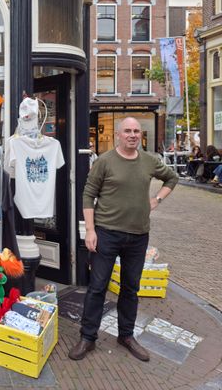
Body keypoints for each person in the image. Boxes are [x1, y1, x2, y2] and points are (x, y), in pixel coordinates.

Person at [68, 117, 178, 362]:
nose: (132, 134)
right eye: (127, 130)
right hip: (106, 233)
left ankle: (126, 335)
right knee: (97, 287)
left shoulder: (149, 161)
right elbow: (88, 195)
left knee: (130, 288)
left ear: (141, 135)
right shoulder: (105, 161)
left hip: (138, 236)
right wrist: (90, 230)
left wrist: (157, 200)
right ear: (118, 134)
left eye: (136, 131)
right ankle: (87, 337)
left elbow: (172, 178)